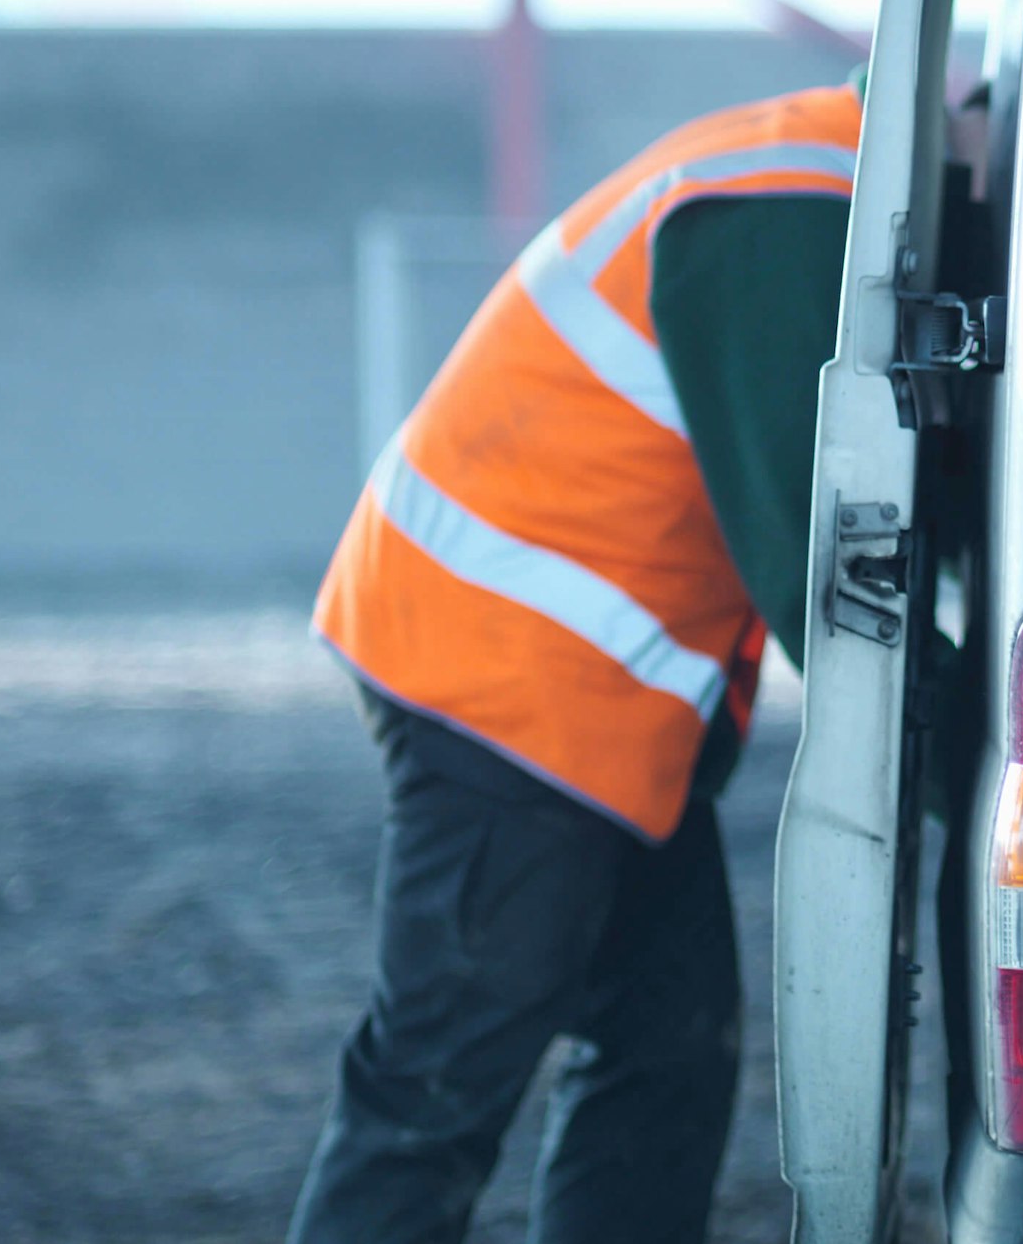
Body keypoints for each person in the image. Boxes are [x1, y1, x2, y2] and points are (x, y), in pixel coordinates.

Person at [291, 85, 861, 1244]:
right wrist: (956, 750)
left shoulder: (803, 168)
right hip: (504, 682)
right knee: (440, 1078)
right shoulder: (796, 202)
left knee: (666, 1045)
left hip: (574, 701)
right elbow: (807, 541)